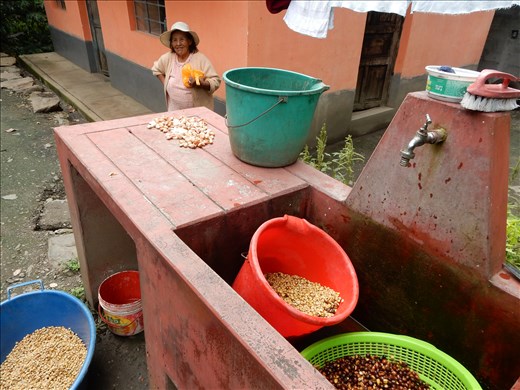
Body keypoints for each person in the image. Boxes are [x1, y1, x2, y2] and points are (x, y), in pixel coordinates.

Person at [152, 21, 220, 112]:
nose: (178, 43)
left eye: (182, 39)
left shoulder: (200, 59)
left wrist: (201, 83)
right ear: (171, 43)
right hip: (174, 112)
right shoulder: (168, 58)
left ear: (189, 41)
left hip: (197, 114)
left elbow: (216, 81)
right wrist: (166, 84)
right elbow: (156, 69)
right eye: (174, 40)